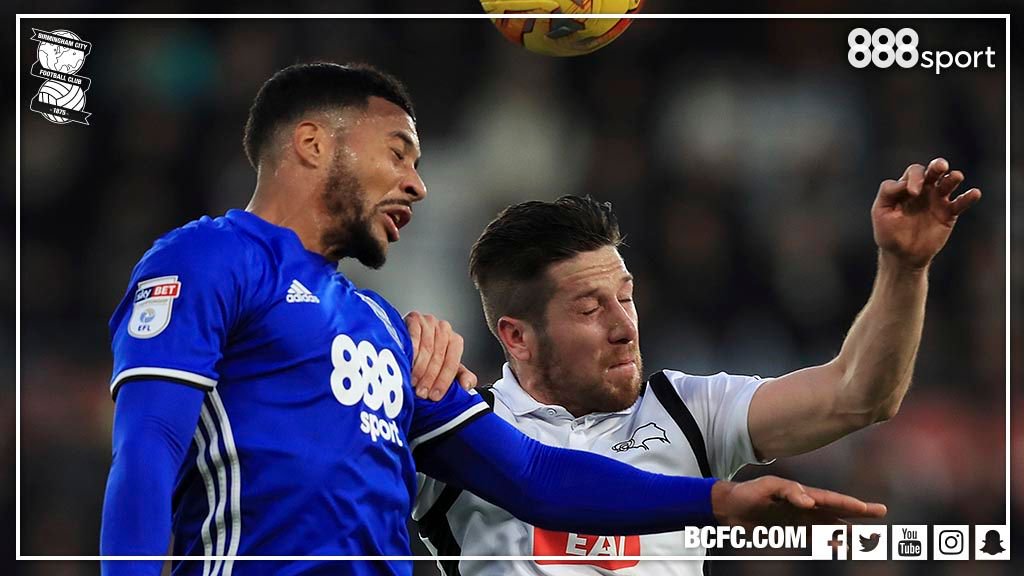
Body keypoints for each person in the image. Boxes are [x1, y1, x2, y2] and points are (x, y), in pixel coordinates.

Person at [99, 62, 885, 576]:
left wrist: (715, 501)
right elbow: (149, 446)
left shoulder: (383, 329)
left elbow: (534, 476)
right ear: (311, 144)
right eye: (399, 153)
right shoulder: (211, 259)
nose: (418, 184)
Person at [415, 172, 980, 575]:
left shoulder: (688, 411)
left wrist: (905, 267)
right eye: (589, 309)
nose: (624, 327)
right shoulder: (461, 430)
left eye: (626, 298)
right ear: (517, 337)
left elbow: (858, 395)